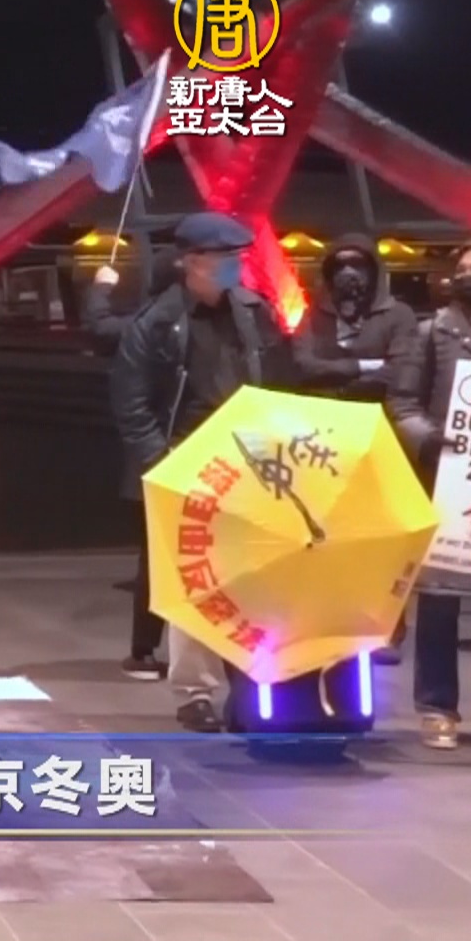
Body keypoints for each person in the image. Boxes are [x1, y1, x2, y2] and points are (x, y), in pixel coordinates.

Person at [110, 211, 298, 732]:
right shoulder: (156, 323)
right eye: (224, 259)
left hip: (251, 459)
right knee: (196, 581)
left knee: (253, 577)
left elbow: (280, 379)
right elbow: (132, 407)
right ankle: (194, 692)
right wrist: (165, 465)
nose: (235, 267)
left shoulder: (253, 312)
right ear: (191, 262)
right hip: (187, 460)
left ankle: (251, 684)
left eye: (237, 258)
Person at [295, 234, 421, 665]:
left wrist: (338, 378)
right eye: (340, 265)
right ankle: (334, 623)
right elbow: (303, 367)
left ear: (373, 270)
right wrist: (363, 367)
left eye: (358, 265)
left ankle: (389, 629)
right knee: (327, 535)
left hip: (379, 436)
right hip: (326, 441)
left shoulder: (397, 314)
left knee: (383, 538)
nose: (349, 274)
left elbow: (401, 370)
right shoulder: (314, 316)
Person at [87, 251, 184, 680]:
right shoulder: (197, 320)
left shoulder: (148, 322)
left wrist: (101, 288)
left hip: (156, 452)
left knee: (156, 557)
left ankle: (144, 650)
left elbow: (101, 329)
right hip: (196, 448)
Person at [390, 245, 471, 750]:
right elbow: (402, 403)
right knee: (440, 598)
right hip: (448, 481)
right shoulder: (430, 333)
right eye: (464, 271)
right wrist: (429, 438)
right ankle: (437, 706)